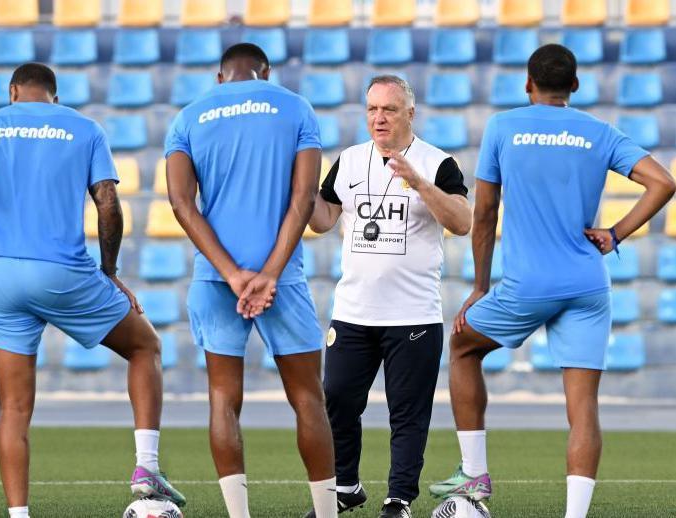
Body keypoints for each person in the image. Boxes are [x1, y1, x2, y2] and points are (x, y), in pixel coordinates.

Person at [0, 62, 186, 518]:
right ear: (55, 95)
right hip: (65, 274)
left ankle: (19, 515)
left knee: (13, 410)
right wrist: (109, 271)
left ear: (13, 91)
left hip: (3, 277)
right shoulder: (85, 128)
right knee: (145, 346)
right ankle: (147, 467)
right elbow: (108, 204)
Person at [429, 44, 675, 518]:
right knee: (583, 408)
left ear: (528, 83)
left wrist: (480, 286)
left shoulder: (503, 127)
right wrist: (615, 233)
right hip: (587, 285)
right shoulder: (599, 131)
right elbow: (664, 182)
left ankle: (474, 478)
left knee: (462, 347)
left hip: (528, 286)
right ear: (574, 86)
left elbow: (485, 214)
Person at [165, 43, 337, 518]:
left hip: (217, 280)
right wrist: (270, 274)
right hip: (283, 279)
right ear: (266, 73)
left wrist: (233, 274)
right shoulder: (296, 107)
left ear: (220, 78)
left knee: (223, 399)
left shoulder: (188, 117)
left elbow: (181, 203)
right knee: (308, 398)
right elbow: (305, 197)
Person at [306, 75, 472, 518]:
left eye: (389, 109)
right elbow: (322, 221)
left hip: (413, 314)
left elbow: (462, 222)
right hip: (353, 312)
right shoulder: (349, 160)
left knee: (407, 413)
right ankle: (346, 486)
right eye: (372, 109)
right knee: (337, 398)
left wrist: (420, 184)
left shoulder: (438, 163)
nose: (379, 118)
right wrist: (299, 188)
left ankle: (399, 499)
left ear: (410, 114)